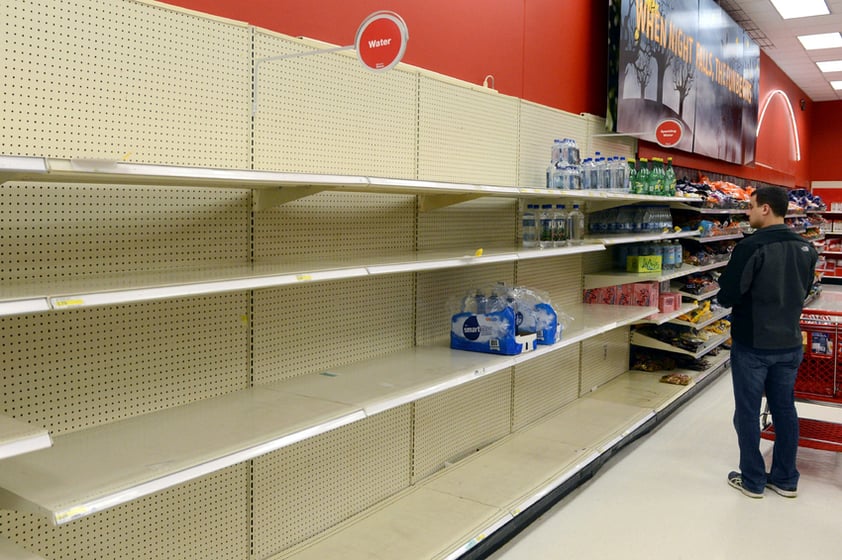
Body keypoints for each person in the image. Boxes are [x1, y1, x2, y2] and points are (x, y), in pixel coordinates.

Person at [718, 185, 817, 499]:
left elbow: (729, 293)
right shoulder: (806, 247)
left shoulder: (751, 247)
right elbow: (804, 292)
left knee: (747, 411)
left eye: (750, 206)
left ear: (765, 208)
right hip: (789, 342)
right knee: (784, 409)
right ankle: (786, 478)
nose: (747, 212)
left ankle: (753, 480)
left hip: (753, 344)